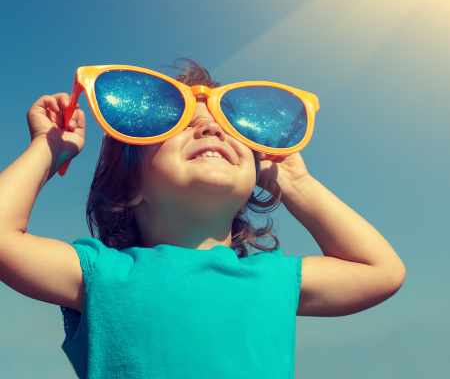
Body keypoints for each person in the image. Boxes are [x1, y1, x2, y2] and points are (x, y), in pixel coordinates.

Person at [0, 60, 406, 378]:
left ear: (253, 182)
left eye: (231, 128)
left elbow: (380, 271)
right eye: (183, 125)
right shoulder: (103, 274)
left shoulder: (272, 278)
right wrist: (49, 147)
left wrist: (296, 182)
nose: (211, 126)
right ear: (131, 188)